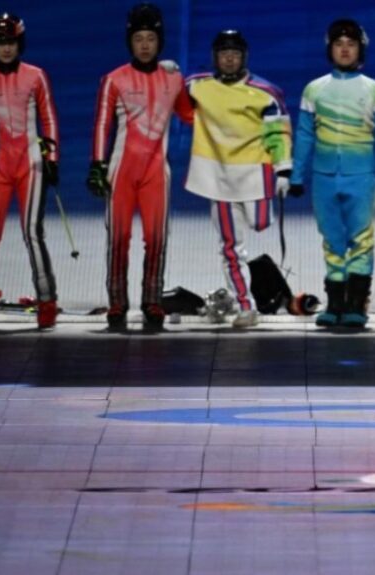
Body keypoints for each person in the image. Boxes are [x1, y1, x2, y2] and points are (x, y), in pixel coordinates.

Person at [87, 3, 193, 332]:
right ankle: (117, 302)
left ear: (159, 41)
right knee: (118, 238)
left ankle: (152, 300)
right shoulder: (114, 79)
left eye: (150, 38)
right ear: (129, 42)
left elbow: (190, 115)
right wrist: (97, 164)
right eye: (138, 39)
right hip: (121, 172)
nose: (145, 45)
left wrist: (207, 91)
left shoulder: (173, 79)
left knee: (156, 239)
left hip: (156, 173)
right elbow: (102, 124)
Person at [289, 18, 375, 329]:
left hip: (361, 177)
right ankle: (335, 303)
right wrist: (296, 176)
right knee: (332, 240)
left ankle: (356, 305)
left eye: (351, 44)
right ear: (330, 49)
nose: (345, 49)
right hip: (323, 177)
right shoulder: (314, 89)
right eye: (339, 44)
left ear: (360, 49)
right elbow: (304, 135)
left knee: (361, 240)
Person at [184, 30, 292, 329]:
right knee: (231, 247)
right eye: (224, 54)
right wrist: (167, 73)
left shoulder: (265, 92)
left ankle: (257, 286)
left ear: (244, 57)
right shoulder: (197, 86)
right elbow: (172, 96)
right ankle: (246, 306)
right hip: (218, 177)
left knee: (260, 224)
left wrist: (283, 169)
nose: (229, 59)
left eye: (235, 54)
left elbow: (278, 132)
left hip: (255, 173)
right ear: (215, 57)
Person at [0, 13, 60, 330]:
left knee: (32, 232)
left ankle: (47, 302)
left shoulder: (36, 76)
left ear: (20, 43)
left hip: (31, 164)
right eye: (0, 43)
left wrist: (52, 158)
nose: (6, 48)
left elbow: (48, 117)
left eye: (11, 42)